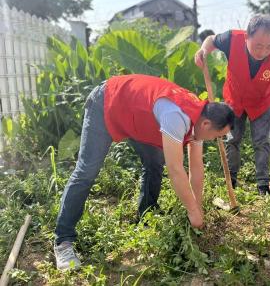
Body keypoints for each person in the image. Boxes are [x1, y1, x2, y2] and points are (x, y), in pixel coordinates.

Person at [53, 74, 235, 270]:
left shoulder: (199, 117)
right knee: (87, 171)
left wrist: (197, 209)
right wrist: (191, 210)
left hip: (137, 114)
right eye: (218, 136)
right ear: (207, 125)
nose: (215, 139)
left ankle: (146, 216)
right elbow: (176, 169)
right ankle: (63, 241)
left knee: (154, 162)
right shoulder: (177, 116)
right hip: (108, 102)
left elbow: (196, 167)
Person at [194, 14, 270, 195]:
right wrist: (203, 51)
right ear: (247, 36)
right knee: (232, 140)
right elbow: (210, 40)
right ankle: (231, 180)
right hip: (234, 100)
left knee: (263, 142)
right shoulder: (232, 39)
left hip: (260, 102)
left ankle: (263, 184)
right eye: (258, 46)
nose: (263, 52)